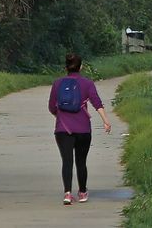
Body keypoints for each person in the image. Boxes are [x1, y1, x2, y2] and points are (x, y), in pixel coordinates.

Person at [48, 52, 112, 205]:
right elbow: (97, 103)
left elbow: (51, 107)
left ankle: (67, 194)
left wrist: (61, 118)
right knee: (81, 162)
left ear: (66, 67)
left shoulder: (57, 83)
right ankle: (82, 192)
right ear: (81, 67)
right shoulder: (87, 83)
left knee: (67, 161)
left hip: (63, 130)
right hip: (83, 130)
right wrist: (106, 121)